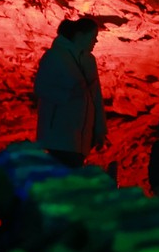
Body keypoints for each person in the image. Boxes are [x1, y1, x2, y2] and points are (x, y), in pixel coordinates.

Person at [34, 17, 107, 169]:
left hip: (80, 140)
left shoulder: (89, 61)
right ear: (80, 35)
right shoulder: (55, 56)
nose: (96, 41)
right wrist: (69, 94)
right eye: (93, 37)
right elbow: (41, 88)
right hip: (59, 137)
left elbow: (96, 97)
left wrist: (99, 129)